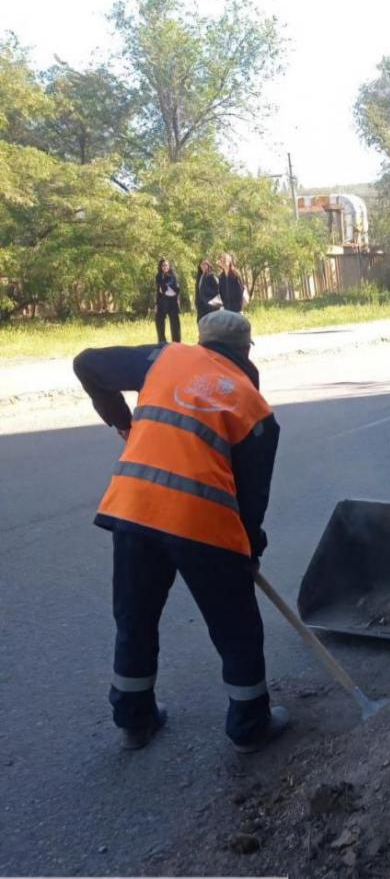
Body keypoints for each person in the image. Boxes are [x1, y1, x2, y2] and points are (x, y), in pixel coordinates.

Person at [72, 310, 288, 751]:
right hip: (202, 524)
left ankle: (134, 721)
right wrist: (249, 548)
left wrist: (122, 421)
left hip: (135, 509)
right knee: (236, 627)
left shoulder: (162, 358)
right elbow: (252, 500)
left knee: (135, 617)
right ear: (246, 351)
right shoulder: (253, 407)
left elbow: (87, 362)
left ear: (201, 340)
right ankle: (249, 727)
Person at [155, 258, 181, 343]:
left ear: (169, 266)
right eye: (163, 265)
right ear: (160, 267)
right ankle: (162, 342)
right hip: (162, 302)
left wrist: (164, 287)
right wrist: (156, 304)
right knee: (159, 320)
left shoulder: (173, 276)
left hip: (172, 302)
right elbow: (159, 291)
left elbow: (176, 289)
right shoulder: (159, 276)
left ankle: (176, 343)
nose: (165, 267)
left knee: (175, 324)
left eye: (166, 265)